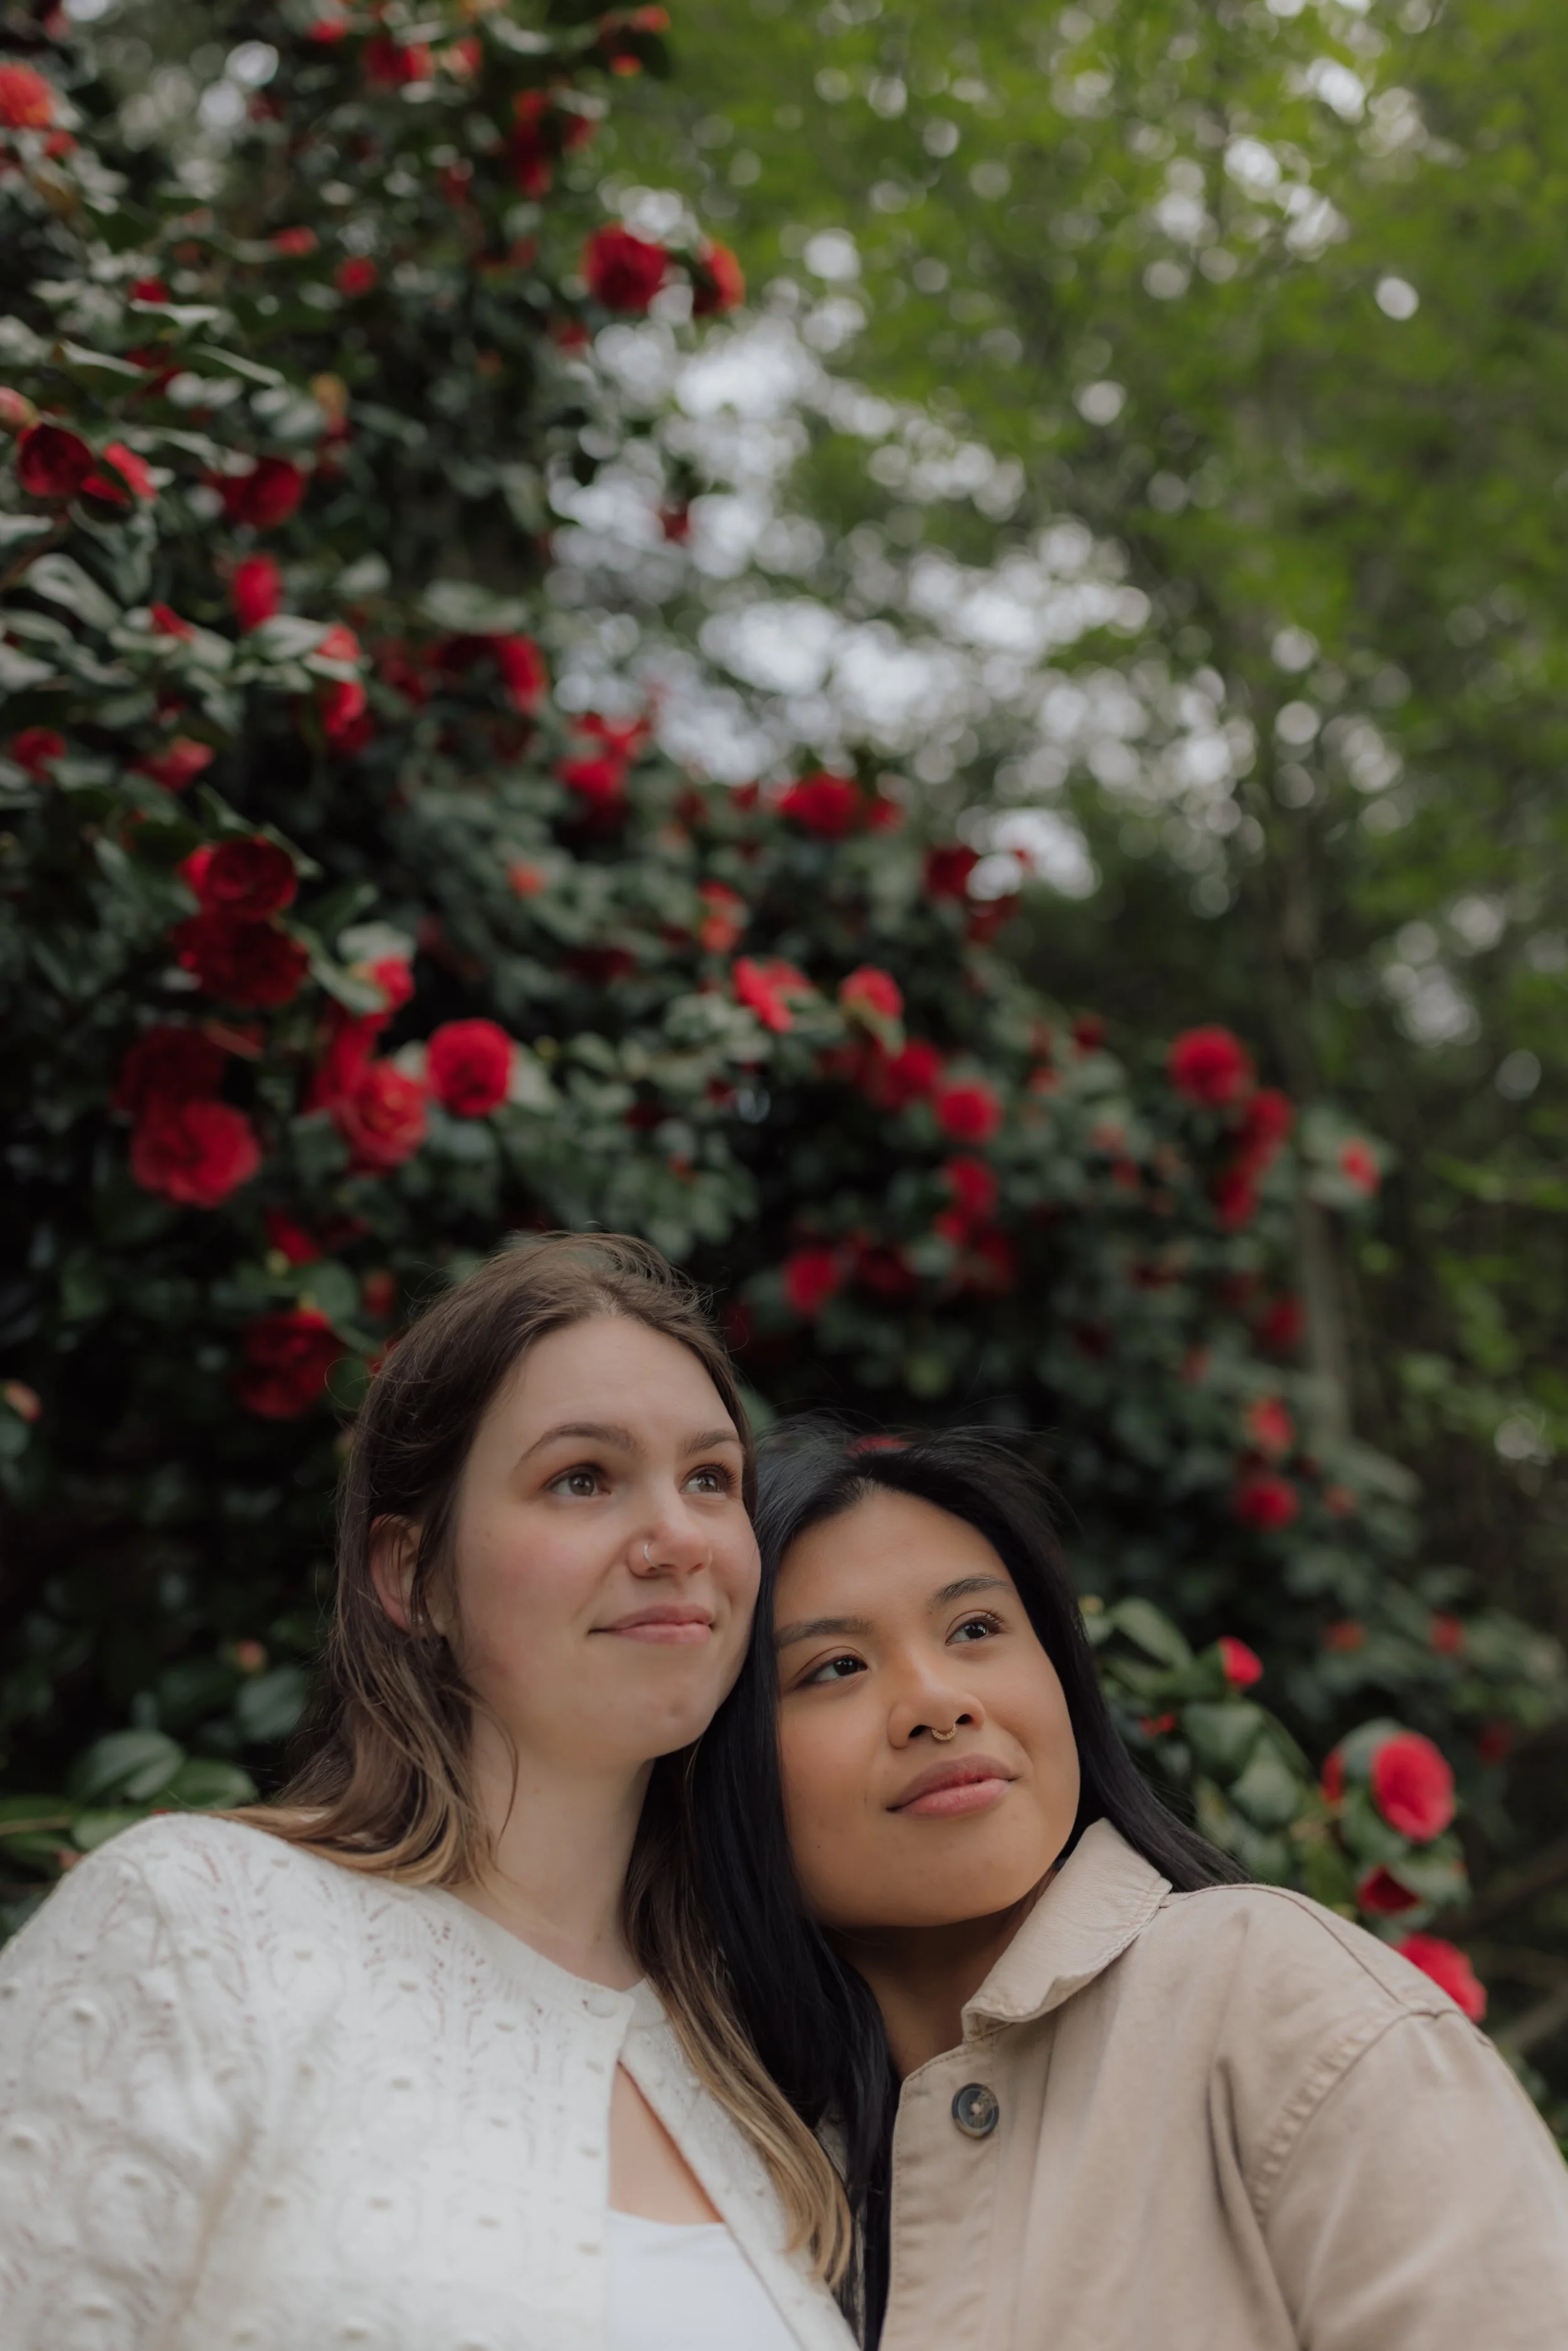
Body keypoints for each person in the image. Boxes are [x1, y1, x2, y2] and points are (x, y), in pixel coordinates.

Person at [0, 1235, 854, 2351]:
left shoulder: (765, 2077)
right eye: (581, 1478)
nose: (678, 1538)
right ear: (411, 1574)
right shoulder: (200, 1926)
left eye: (710, 1479)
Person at [690, 1423, 1568, 2350]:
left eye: (976, 1628)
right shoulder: (698, 2156)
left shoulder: (1275, 2002)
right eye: (836, 1668)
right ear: (721, 1764)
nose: (938, 1702)